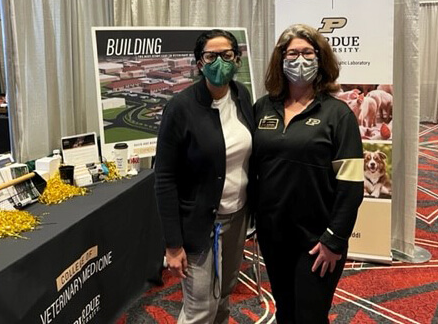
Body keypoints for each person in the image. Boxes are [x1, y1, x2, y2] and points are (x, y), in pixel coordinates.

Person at [253, 24, 364, 323]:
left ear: (320, 58)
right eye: (292, 54)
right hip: (274, 235)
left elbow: (352, 186)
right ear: (280, 60)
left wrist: (334, 239)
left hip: (318, 241)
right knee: (286, 311)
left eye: (307, 52)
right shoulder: (262, 108)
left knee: (310, 316)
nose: (299, 60)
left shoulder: (338, 115)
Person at [155, 29, 254, 323]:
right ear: (199, 63)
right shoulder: (181, 108)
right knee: (200, 308)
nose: (219, 62)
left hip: (237, 218)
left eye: (227, 55)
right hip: (200, 225)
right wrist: (173, 246)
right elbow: (164, 179)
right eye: (211, 56)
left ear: (237, 59)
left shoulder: (241, 96)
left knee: (223, 296)